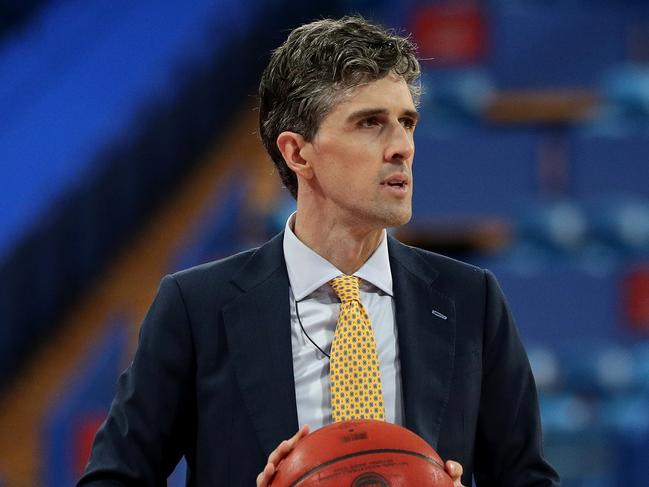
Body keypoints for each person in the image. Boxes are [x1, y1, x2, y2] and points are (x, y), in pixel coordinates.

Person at [78, 16, 560, 487]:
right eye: (370, 123)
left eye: (407, 122)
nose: (402, 147)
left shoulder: (471, 300)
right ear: (297, 152)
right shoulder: (195, 307)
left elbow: (527, 477)